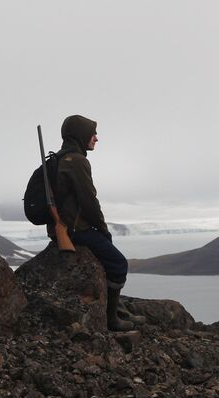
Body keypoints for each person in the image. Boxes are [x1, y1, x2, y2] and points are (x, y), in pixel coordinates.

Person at [48, 114, 142, 331]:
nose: (96, 138)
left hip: (65, 227)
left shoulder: (59, 158)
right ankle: (111, 319)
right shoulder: (78, 161)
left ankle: (114, 308)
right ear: (81, 135)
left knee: (108, 260)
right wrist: (103, 229)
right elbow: (89, 201)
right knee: (119, 264)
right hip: (74, 230)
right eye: (92, 133)